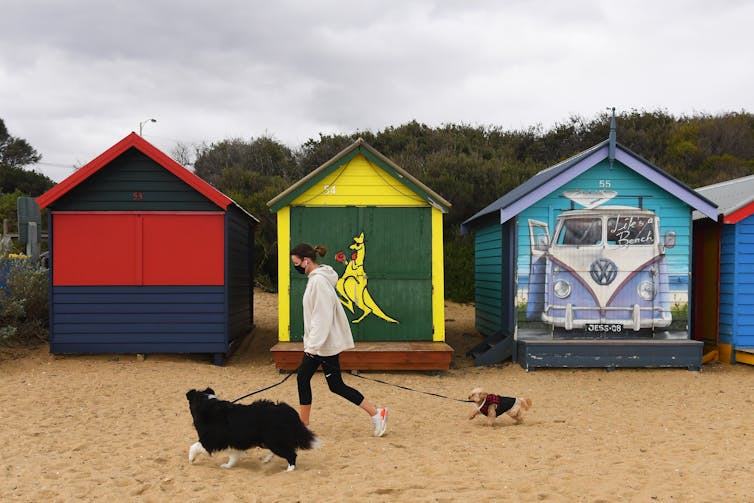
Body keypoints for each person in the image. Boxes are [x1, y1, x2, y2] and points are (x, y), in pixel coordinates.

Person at [290, 242, 389, 437]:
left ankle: (304, 425)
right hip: (321, 344)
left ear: (306, 261)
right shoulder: (317, 279)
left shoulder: (318, 282)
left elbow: (322, 317)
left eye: (296, 262)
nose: (295, 266)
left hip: (321, 345)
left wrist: (312, 346)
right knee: (335, 385)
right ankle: (377, 413)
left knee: (304, 378)